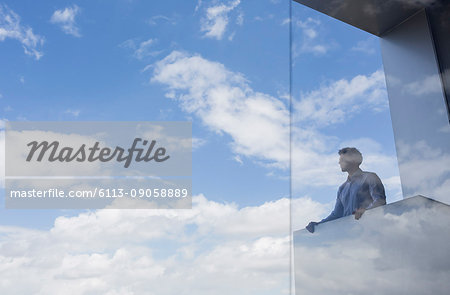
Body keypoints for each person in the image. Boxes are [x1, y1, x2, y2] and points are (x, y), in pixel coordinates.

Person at [306, 147, 386, 233]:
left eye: (343, 159)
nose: (339, 162)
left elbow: (380, 200)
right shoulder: (342, 188)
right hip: (350, 233)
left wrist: (366, 211)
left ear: (354, 160)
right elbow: (337, 214)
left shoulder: (370, 177)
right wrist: (319, 224)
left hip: (370, 230)